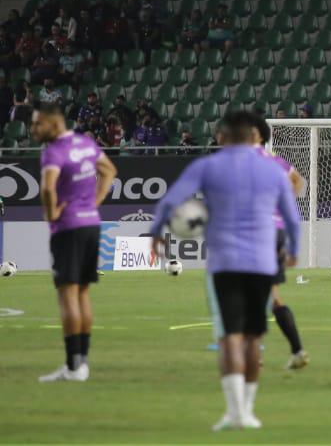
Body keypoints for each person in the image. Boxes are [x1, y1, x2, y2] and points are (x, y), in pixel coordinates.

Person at [149, 111, 301, 431]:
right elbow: (291, 215)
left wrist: (157, 232)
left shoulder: (207, 166)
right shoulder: (273, 168)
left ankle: (234, 412)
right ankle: (248, 411)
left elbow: (171, 201)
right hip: (262, 262)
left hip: (225, 263)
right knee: (252, 338)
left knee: (230, 336)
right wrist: (294, 251)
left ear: (224, 136)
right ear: (253, 136)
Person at [33, 103, 117, 383]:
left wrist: (51, 212)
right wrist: (95, 202)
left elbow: (47, 186)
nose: (33, 130)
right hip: (91, 224)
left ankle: (73, 366)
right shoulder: (85, 143)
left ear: (53, 124)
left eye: (37, 124)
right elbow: (109, 171)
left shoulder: (53, 152)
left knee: (68, 296)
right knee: (82, 294)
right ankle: (81, 365)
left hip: (67, 228)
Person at [251, 114, 309, 369]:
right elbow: (298, 181)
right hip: (276, 231)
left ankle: (255, 353)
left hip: (256, 231)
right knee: (273, 295)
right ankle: (297, 351)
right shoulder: (277, 162)